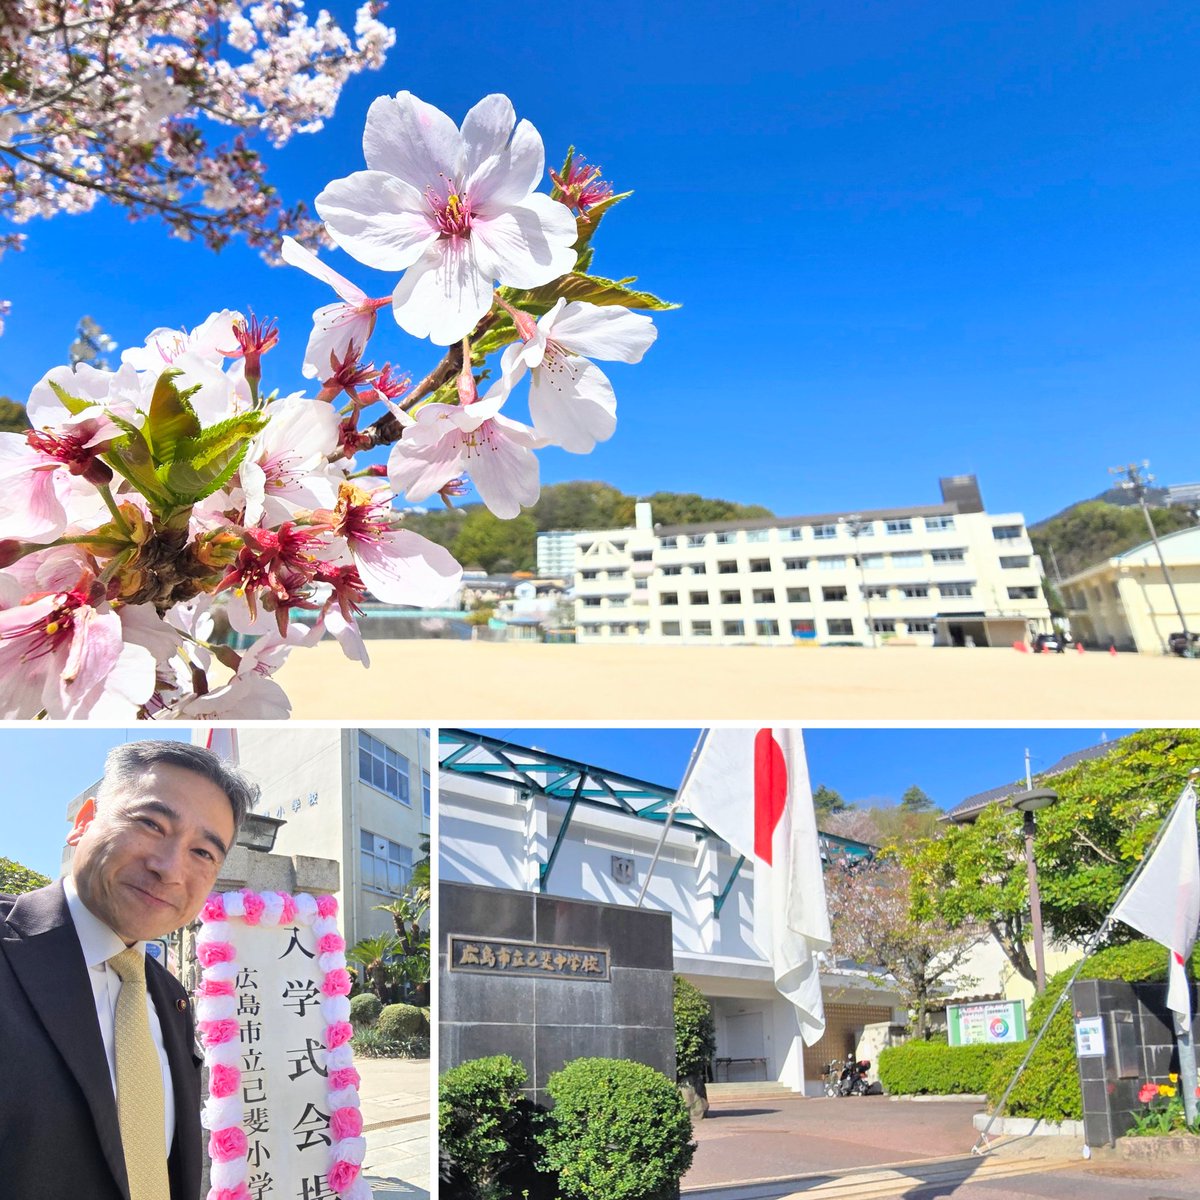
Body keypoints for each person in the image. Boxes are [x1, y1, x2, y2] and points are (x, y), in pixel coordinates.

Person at [0, 740, 258, 1199]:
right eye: (151, 824)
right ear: (84, 822)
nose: (169, 869)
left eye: (203, 853)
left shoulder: (171, 997)